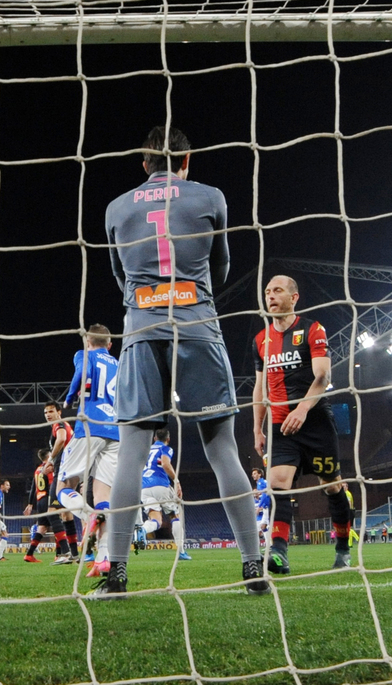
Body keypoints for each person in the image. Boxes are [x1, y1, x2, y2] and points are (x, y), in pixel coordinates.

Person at [94, 126, 265, 597]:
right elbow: (222, 266)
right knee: (221, 449)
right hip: (197, 323)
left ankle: (118, 575)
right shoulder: (210, 196)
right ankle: (254, 567)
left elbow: (119, 275)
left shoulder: (115, 208)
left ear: (142, 163)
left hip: (141, 328)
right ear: (187, 161)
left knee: (131, 451)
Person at [252, 274, 350, 572]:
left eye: (277, 290)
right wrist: (257, 427)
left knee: (331, 487)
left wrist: (303, 410)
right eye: (267, 291)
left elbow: (323, 376)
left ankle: (343, 549)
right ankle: (279, 552)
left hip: (316, 423)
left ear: (293, 297)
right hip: (281, 426)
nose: (270, 296)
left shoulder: (312, 329)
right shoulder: (260, 339)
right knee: (277, 484)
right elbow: (260, 388)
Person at [57, 326, 121, 577]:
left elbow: (82, 374)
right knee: (103, 495)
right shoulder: (118, 362)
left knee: (63, 488)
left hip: (89, 426)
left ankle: (87, 515)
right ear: (110, 344)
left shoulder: (84, 354)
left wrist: (70, 398)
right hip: (116, 431)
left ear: (87, 341)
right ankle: (103, 559)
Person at [140, 428, 191, 560]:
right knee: (175, 516)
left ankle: (143, 530)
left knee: (156, 520)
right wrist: (176, 481)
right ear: (168, 439)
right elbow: (165, 464)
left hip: (144, 487)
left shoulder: (145, 449)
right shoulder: (166, 449)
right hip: (160, 485)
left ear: (154, 438)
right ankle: (181, 551)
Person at [44, 402, 80, 564]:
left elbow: (61, 439)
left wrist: (50, 459)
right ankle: (74, 553)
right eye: (45, 412)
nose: (47, 414)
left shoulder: (58, 424)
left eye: (51, 411)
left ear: (59, 412)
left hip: (63, 470)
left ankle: (64, 553)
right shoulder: (67, 425)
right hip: (71, 468)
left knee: (52, 511)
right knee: (66, 513)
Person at [23, 451, 64, 563]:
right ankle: (59, 554)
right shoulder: (49, 467)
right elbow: (52, 484)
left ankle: (29, 554)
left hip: (40, 500)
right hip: (48, 499)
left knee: (42, 528)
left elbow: (33, 488)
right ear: (48, 456)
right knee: (57, 524)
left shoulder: (38, 470)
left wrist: (30, 503)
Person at [252, 467, 271, 547]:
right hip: (267, 506)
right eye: (252, 474)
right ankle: (269, 546)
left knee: (266, 526)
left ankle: (271, 546)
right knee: (263, 527)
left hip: (267, 506)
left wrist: (259, 507)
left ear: (259, 474)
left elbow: (264, 495)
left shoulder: (261, 483)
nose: (253, 475)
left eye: (255, 473)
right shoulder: (261, 483)